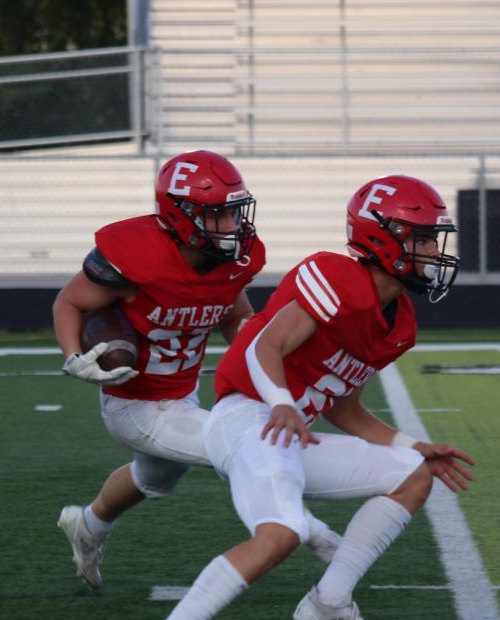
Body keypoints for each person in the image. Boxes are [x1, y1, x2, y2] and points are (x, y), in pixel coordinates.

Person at [127, 174, 476, 620]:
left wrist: (413, 444)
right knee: (283, 531)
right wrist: (282, 401)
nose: (431, 252)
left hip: (289, 433)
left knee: (412, 473)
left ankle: (329, 602)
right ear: (383, 237)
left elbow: (346, 408)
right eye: (421, 239)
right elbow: (262, 344)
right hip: (249, 416)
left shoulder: (397, 320)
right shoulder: (336, 276)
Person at [52, 150, 341, 591]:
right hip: (134, 404)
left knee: (154, 477)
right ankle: (318, 536)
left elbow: (231, 313)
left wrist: (261, 346)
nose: (233, 225)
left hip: (183, 395)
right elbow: (69, 302)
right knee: (242, 450)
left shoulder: (229, 259)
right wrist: (75, 357)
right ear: (181, 216)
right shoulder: (137, 255)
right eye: (219, 214)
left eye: (234, 212)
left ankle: (88, 526)